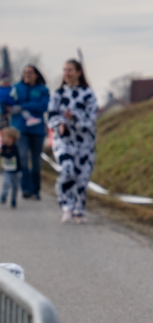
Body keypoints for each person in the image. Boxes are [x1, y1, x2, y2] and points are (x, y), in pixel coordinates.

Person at [48, 60, 97, 223]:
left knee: (82, 177)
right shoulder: (58, 94)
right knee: (67, 170)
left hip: (85, 143)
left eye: (70, 70)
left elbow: (91, 119)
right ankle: (66, 205)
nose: (67, 73)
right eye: (64, 70)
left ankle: (79, 209)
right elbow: (51, 116)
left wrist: (74, 117)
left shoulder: (88, 94)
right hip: (64, 141)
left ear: (78, 72)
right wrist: (60, 123)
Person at [1, 65, 49, 200]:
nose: (27, 74)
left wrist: (21, 107)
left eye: (30, 72)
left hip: (37, 130)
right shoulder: (15, 88)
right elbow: (7, 102)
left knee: (36, 162)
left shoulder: (43, 90)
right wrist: (5, 109)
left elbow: (43, 106)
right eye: (25, 72)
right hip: (19, 130)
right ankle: (25, 188)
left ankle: (36, 190)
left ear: (36, 75)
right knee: (22, 158)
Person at [1, 127, 22, 207]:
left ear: (11, 138)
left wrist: (3, 153)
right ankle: (3, 197)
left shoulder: (15, 147)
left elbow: (10, 156)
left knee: (15, 187)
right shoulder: (3, 147)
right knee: (6, 183)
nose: (3, 138)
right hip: (7, 170)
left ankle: (13, 200)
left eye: (4, 137)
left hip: (16, 171)